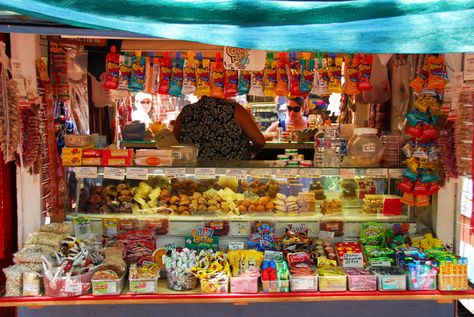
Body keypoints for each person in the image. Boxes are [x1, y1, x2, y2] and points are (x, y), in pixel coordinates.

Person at [173, 96, 265, 160]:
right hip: (233, 172)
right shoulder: (237, 110)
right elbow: (259, 141)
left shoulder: (187, 111)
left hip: (195, 174)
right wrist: (252, 149)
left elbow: (173, 142)